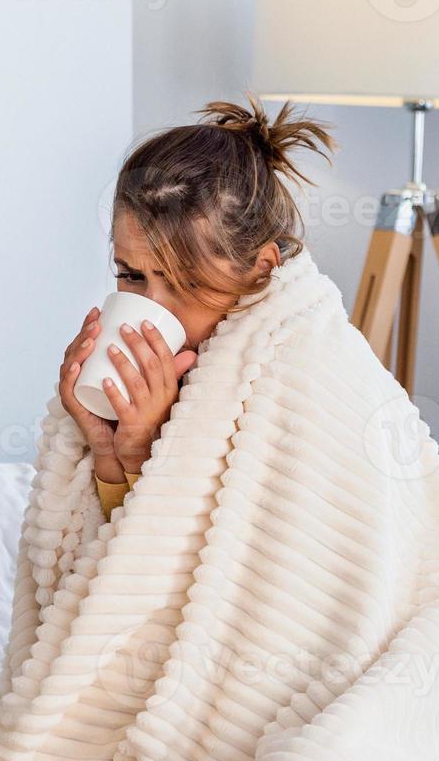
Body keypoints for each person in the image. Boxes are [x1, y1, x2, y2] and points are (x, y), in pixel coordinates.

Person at [56, 96, 334, 515]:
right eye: (131, 275)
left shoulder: (300, 384)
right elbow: (113, 570)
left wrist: (142, 452)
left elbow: (221, 571)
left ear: (261, 270)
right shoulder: (158, 382)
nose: (152, 306)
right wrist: (107, 449)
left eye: (186, 282)